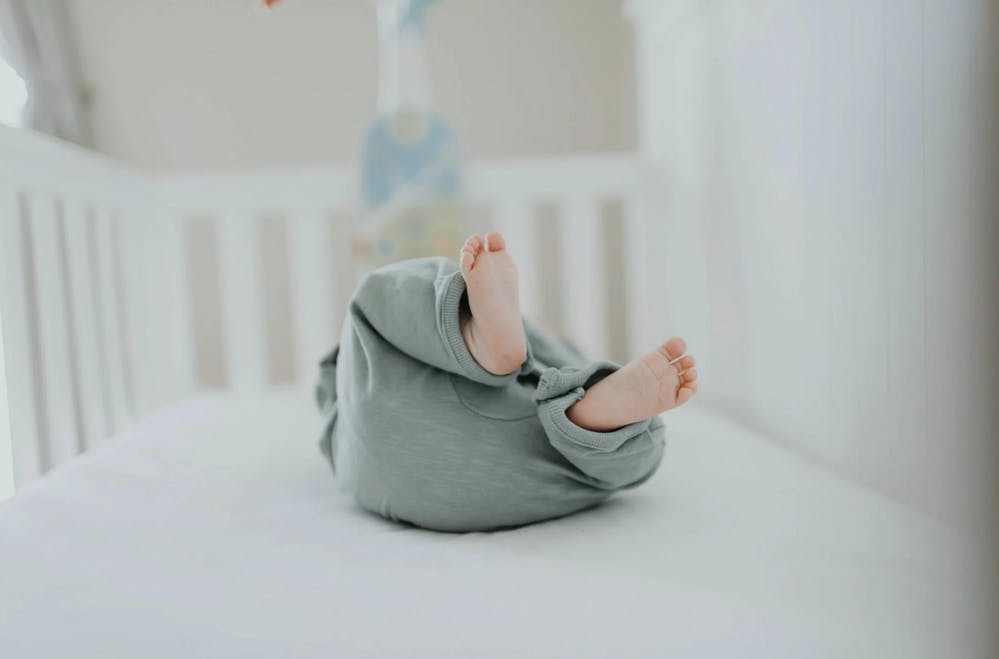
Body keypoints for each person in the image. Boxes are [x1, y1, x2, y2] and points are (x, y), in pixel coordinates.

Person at [316, 231, 698, 532]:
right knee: (640, 447)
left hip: (387, 472)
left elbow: (330, 383)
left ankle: (465, 330)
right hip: (519, 471)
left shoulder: (348, 400)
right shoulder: (564, 362)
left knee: (378, 297)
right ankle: (589, 423)